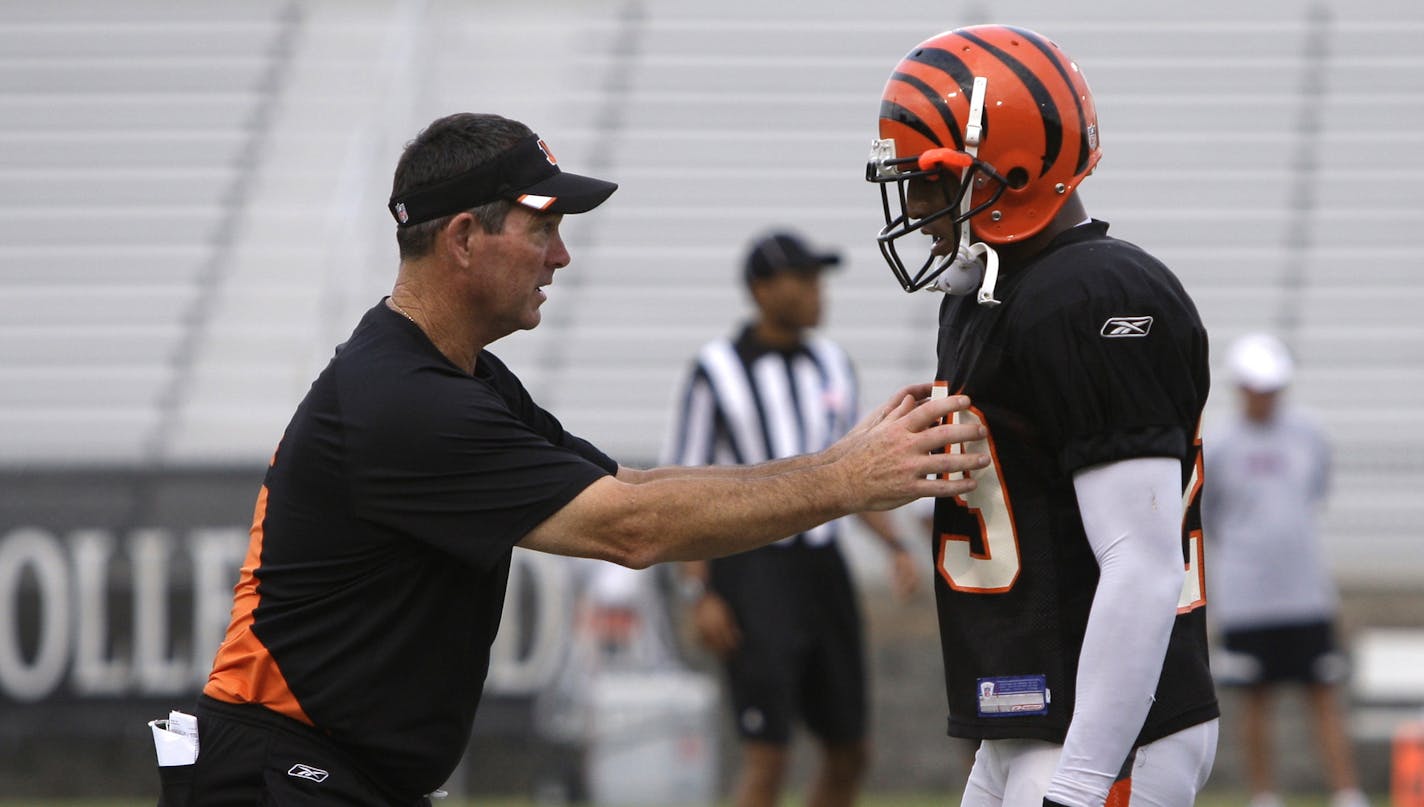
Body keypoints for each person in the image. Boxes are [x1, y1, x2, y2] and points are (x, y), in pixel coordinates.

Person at [175, 112, 987, 807]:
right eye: (543, 228)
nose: (560, 256)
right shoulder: (409, 402)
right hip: (282, 773)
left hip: (321, 770)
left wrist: (841, 461)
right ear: (463, 238)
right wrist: (847, 480)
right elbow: (630, 528)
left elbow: (630, 484)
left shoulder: (452, 374)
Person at [864, 25, 1220, 807]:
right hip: (1035, 715)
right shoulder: (991, 292)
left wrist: (1086, 779)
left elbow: (1142, 561)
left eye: (931, 181)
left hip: (1109, 731)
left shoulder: (1096, 294)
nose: (918, 207)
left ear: (1014, 168)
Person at [664, 230, 920, 807]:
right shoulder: (716, 370)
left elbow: (850, 471)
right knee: (768, 751)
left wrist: (896, 545)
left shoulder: (831, 363)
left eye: (818, 280)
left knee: (851, 749)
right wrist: (698, 591)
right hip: (752, 569)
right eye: (802, 280)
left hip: (823, 569)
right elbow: (684, 485)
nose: (816, 293)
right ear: (761, 289)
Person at [1204, 332, 1367, 807]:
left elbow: (1316, 491)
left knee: (1323, 689)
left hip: (1304, 591)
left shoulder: (1309, 431)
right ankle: (1263, 794)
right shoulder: (1218, 442)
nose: (1265, 396)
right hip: (1246, 596)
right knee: (1254, 696)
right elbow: (1210, 515)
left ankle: (1346, 791)